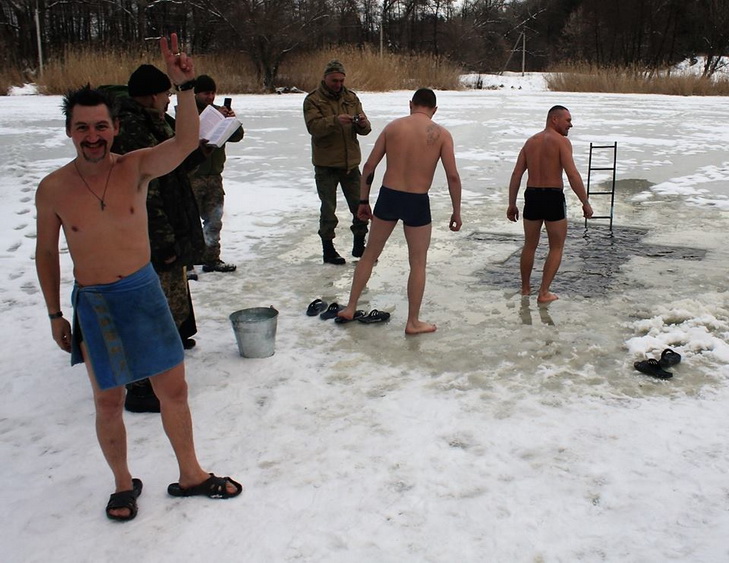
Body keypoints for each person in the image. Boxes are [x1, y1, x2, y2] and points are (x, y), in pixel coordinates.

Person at [35, 34, 242, 523]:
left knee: (174, 391)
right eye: (82, 127)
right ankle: (123, 485)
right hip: (97, 304)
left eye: (100, 126)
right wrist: (54, 314)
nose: (92, 135)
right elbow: (46, 252)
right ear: (69, 130)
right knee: (109, 402)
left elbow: (187, 141)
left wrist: (185, 87)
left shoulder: (134, 168)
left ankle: (190, 473)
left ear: (114, 126)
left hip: (144, 293)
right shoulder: (54, 189)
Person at [336, 88, 462, 334]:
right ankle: (413, 322)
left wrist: (363, 201)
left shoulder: (393, 127)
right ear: (434, 110)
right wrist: (456, 211)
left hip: (389, 196)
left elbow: (370, 165)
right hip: (416, 200)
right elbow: (453, 177)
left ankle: (350, 307)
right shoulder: (442, 135)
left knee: (370, 254)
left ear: (410, 104)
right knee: (418, 263)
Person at [507, 105, 594, 303]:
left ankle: (525, 288)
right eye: (568, 120)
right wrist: (585, 202)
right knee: (556, 246)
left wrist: (512, 204)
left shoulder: (530, 142)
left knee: (529, 245)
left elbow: (516, 174)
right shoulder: (561, 142)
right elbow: (572, 174)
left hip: (532, 196)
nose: (571, 125)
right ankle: (544, 292)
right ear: (554, 119)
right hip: (553, 197)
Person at [303, 59, 371, 265]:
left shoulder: (351, 98)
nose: (338, 84)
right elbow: (313, 127)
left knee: (361, 206)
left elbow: (365, 129)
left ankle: (360, 244)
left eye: (341, 80)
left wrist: (363, 123)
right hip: (326, 165)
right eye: (334, 80)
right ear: (325, 78)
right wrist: (334, 121)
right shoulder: (313, 100)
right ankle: (328, 249)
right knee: (328, 209)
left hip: (350, 164)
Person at [190, 74, 244, 273]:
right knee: (190, 220)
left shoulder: (217, 112)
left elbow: (237, 136)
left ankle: (211, 257)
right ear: (196, 94)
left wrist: (231, 121)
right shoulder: (188, 114)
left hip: (214, 175)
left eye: (213, 93)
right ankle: (187, 262)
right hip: (193, 175)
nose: (210, 97)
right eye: (206, 93)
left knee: (214, 219)